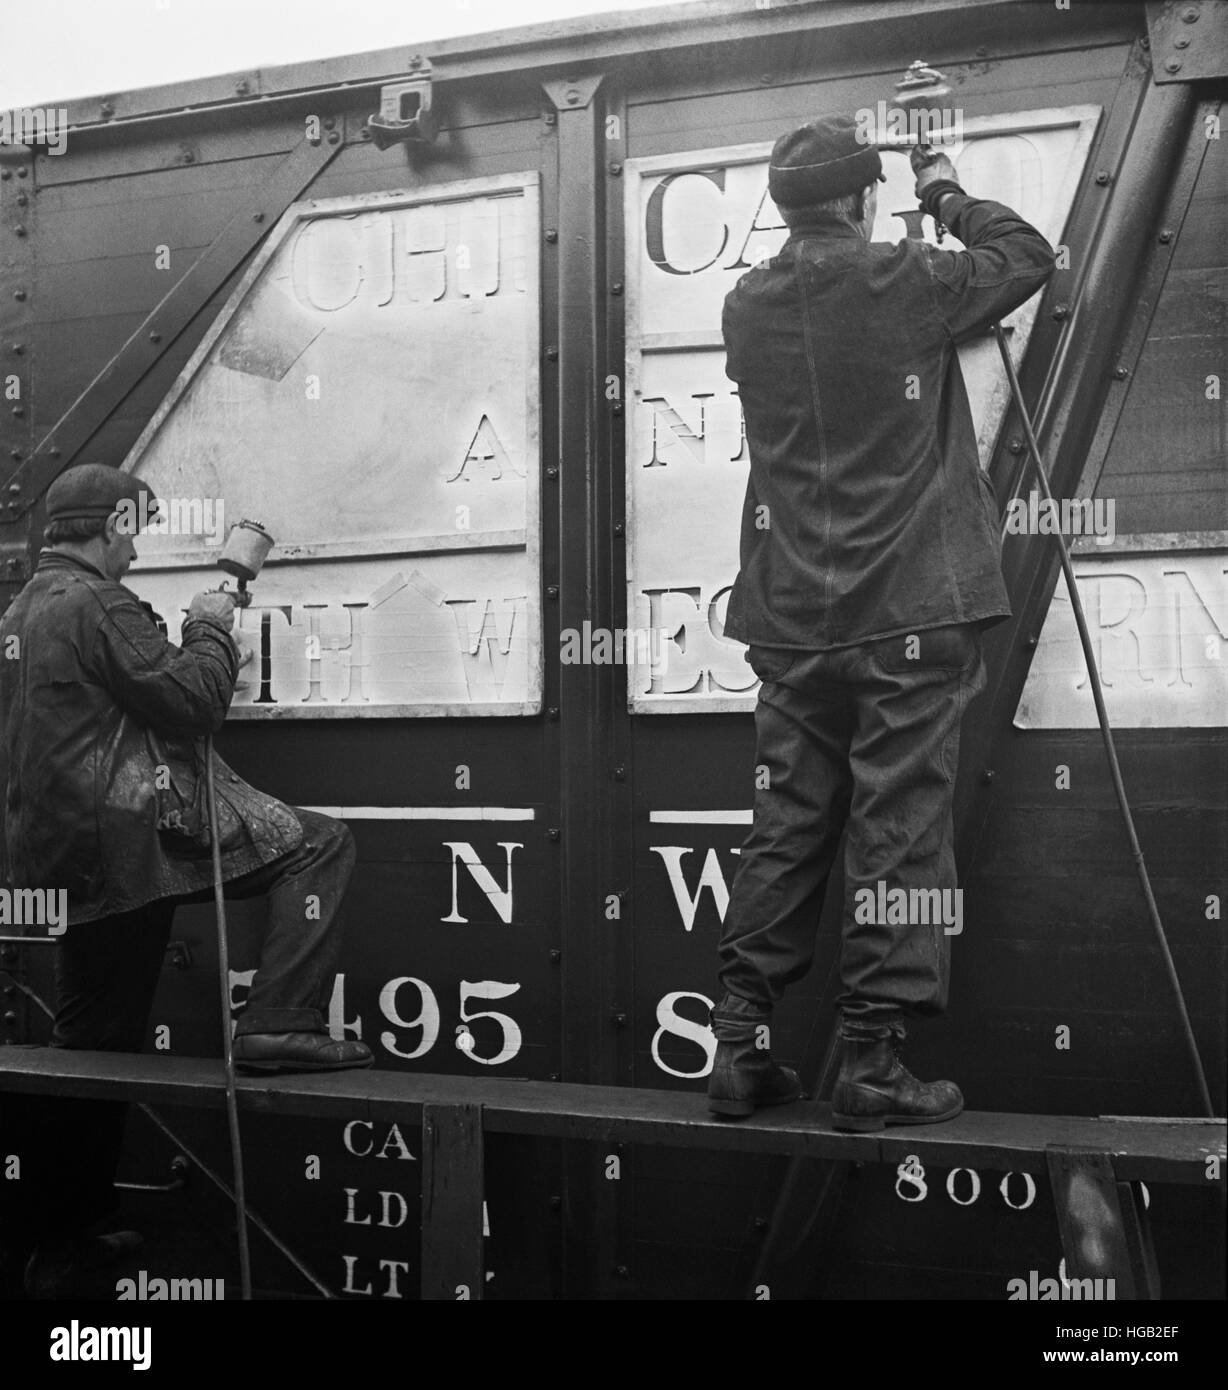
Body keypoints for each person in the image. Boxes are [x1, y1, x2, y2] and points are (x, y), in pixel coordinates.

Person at [708, 115, 1055, 1128]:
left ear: (784, 207)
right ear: (864, 201)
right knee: (898, 831)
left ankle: (738, 1048)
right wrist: (943, 191)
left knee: (786, 824)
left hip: (789, 620)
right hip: (906, 613)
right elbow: (1023, 256)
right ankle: (870, 1061)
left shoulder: (745, 306)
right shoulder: (906, 279)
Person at [0, 463, 371, 1296]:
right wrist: (211, 626)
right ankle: (279, 1021)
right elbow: (195, 701)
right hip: (132, 836)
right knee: (322, 845)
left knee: (94, 1050)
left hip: (60, 863)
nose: (133, 546)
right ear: (105, 525)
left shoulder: (23, 608)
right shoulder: (99, 603)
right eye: (132, 528)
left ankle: (61, 1244)